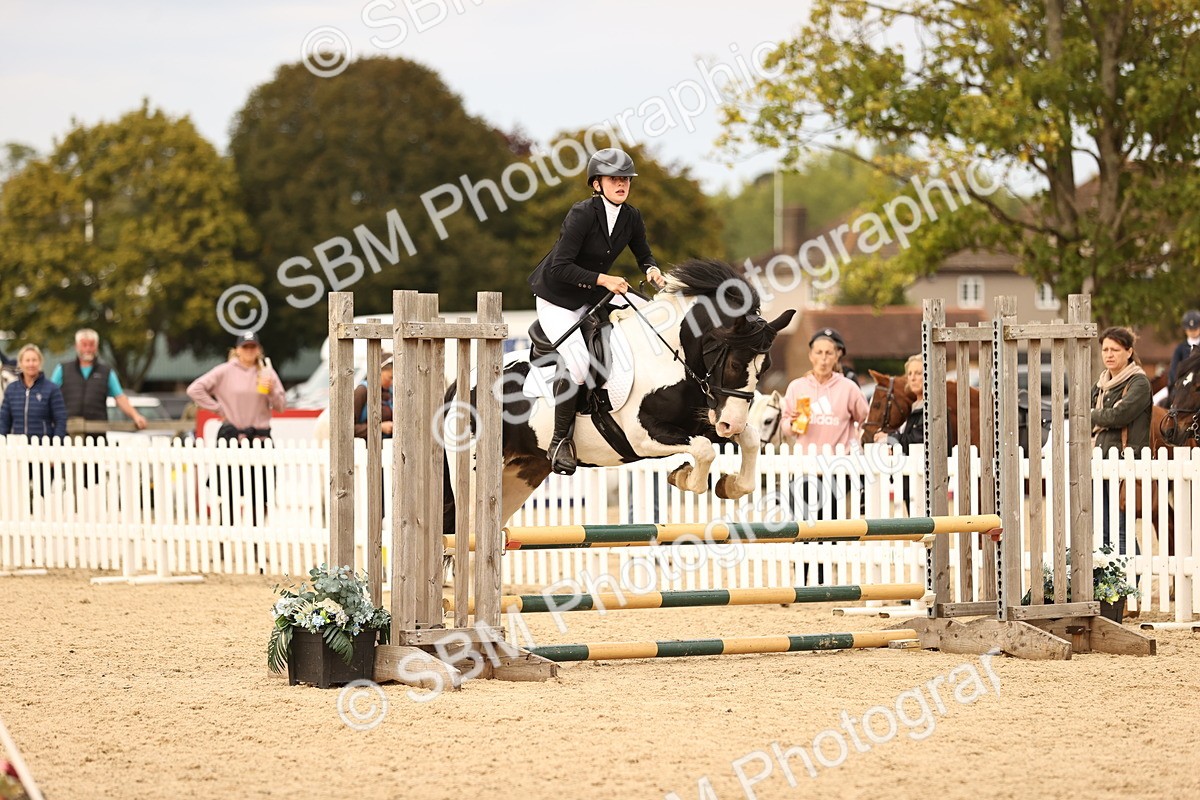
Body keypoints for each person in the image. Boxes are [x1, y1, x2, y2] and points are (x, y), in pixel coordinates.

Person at [527, 147, 666, 476]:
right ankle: (560, 441)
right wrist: (605, 279)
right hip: (558, 297)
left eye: (626, 179)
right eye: (614, 179)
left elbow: (643, 253)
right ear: (596, 184)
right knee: (577, 365)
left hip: (592, 293)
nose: (621, 184)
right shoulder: (582, 214)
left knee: (651, 313)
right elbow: (560, 266)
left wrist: (651, 270)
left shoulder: (631, 216)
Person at [187, 332, 286, 523]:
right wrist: (218, 408)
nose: (249, 350)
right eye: (245, 347)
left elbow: (281, 406)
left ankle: (257, 535)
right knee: (228, 492)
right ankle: (228, 535)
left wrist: (271, 390)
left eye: (253, 346)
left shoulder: (266, 372)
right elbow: (194, 389)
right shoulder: (224, 371)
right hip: (232, 438)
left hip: (260, 439)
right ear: (237, 350)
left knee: (261, 495)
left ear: (258, 349)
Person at [781, 328, 869, 524]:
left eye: (829, 353)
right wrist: (791, 424)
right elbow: (785, 423)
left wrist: (856, 444)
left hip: (838, 468)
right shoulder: (797, 386)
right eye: (819, 352)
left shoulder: (849, 388)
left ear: (837, 356)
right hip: (804, 467)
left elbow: (866, 420)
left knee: (832, 527)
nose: (823, 359)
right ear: (811, 355)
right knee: (802, 526)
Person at [1091, 326, 1152, 553]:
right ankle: (1111, 577)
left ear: (1129, 352)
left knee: (1122, 531)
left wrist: (1090, 414)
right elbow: (1079, 413)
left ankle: (1132, 576)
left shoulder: (1138, 383)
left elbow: (1119, 415)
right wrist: (1094, 415)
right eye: (1105, 349)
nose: (1109, 354)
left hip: (1125, 465)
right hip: (1099, 462)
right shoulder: (1100, 385)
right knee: (1103, 532)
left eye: (1115, 350)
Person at [50, 328, 147, 435]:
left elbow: (120, 397)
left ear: (96, 347)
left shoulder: (107, 372)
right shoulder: (62, 369)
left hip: (97, 432)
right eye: (84, 345)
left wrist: (136, 416)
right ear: (76, 346)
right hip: (67, 432)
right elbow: (49, 395)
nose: (88, 349)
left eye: (91, 345)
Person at [0, 344, 67, 440]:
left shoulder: (52, 389)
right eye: (27, 360)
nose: (31, 364)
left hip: (43, 445)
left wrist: (57, 441)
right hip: (17, 445)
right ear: (20, 363)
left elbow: (60, 419)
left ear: (40, 362)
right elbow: (4, 420)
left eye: (34, 360)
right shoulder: (11, 389)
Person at [353, 357, 394, 440]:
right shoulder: (362, 392)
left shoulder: (390, 392)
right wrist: (379, 427)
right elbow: (348, 428)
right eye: (390, 377)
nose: (392, 382)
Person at [1167, 309, 1200, 387]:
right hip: (1183, 385)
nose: (1193, 332)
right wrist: (1179, 382)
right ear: (1185, 330)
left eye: (1195, 329)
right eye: (1190, 329)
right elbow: (1174, 368)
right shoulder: (1180, 348)